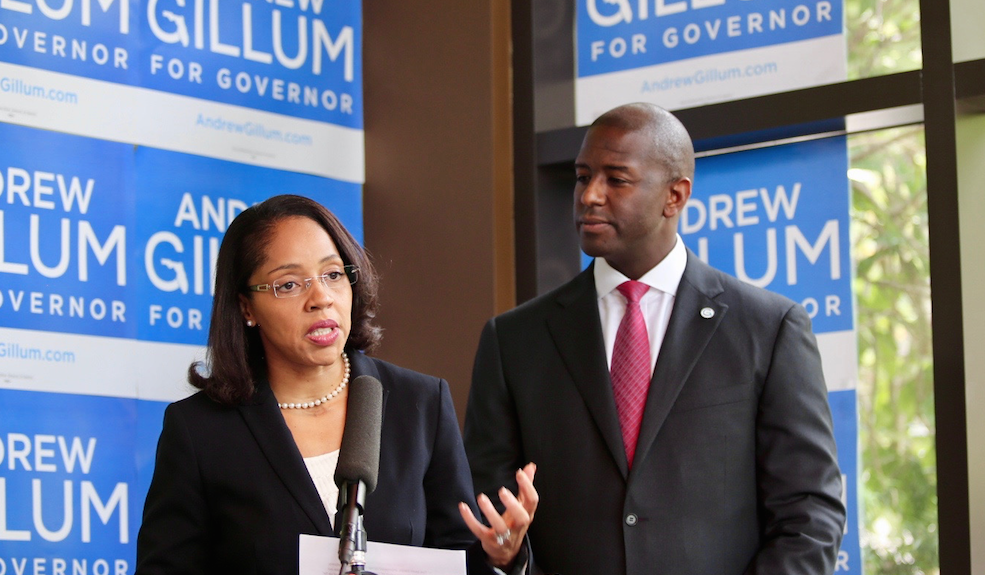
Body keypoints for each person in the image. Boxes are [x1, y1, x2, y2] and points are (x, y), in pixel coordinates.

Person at [464, 103, 846, 575]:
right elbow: (487, 513)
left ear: (675, 195)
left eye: (616, 179)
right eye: (584, 177)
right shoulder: (515, 339)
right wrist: (506, 554)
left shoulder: (769, 328)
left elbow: (810, 514)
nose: (590, 196)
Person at [136, 194, 537, 575]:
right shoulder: (200, 431)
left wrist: (501, 556)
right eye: (289, 284)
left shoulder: (419, 404)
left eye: (332, 274)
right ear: (246, 307)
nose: (321, 298)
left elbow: (456, 557)